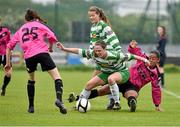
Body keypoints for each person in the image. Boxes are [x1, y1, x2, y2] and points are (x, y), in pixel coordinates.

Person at [68, 40, 163, 112]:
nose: (150, 60)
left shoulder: (156, 74)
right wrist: (131, 46)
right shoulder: (143, 59)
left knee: (131, 95)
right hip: (123, 78)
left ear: (158, 60)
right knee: (102, 91)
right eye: (150, 58)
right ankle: (78, 99)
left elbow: (156, 89)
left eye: (153, 59)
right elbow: (134, 53)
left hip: (133, 86)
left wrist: (157, 104)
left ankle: (132, 104)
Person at [4, 9, 67, 114]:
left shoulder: (21, 29)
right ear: (35, 17)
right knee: (57, 77)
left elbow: (9, 47)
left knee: (31, 79)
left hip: (29, 56)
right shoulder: (39, 25)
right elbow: (52, 36)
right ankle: (59, 99)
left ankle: (31, 107)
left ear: (25, 19)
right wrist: (50, 47)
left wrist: (8, 63)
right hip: (42, 53)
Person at [88, 6, 122, 77]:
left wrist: (118, 51)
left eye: (93, 15)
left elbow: (113, 38)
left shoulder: (103, 25)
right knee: (95, 80)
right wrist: (90, 52)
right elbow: (93, 42)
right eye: (90, 16)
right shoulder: (93, 27)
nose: (91, 17)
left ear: (98, 15)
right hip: (100, 57)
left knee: (94, 80)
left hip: (107, 55)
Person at [0, 18, 12, 96]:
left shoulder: (6, 31)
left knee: (9, 74)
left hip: (5, 54)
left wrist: (10, 50)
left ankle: (3, 87)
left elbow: (9, 42)